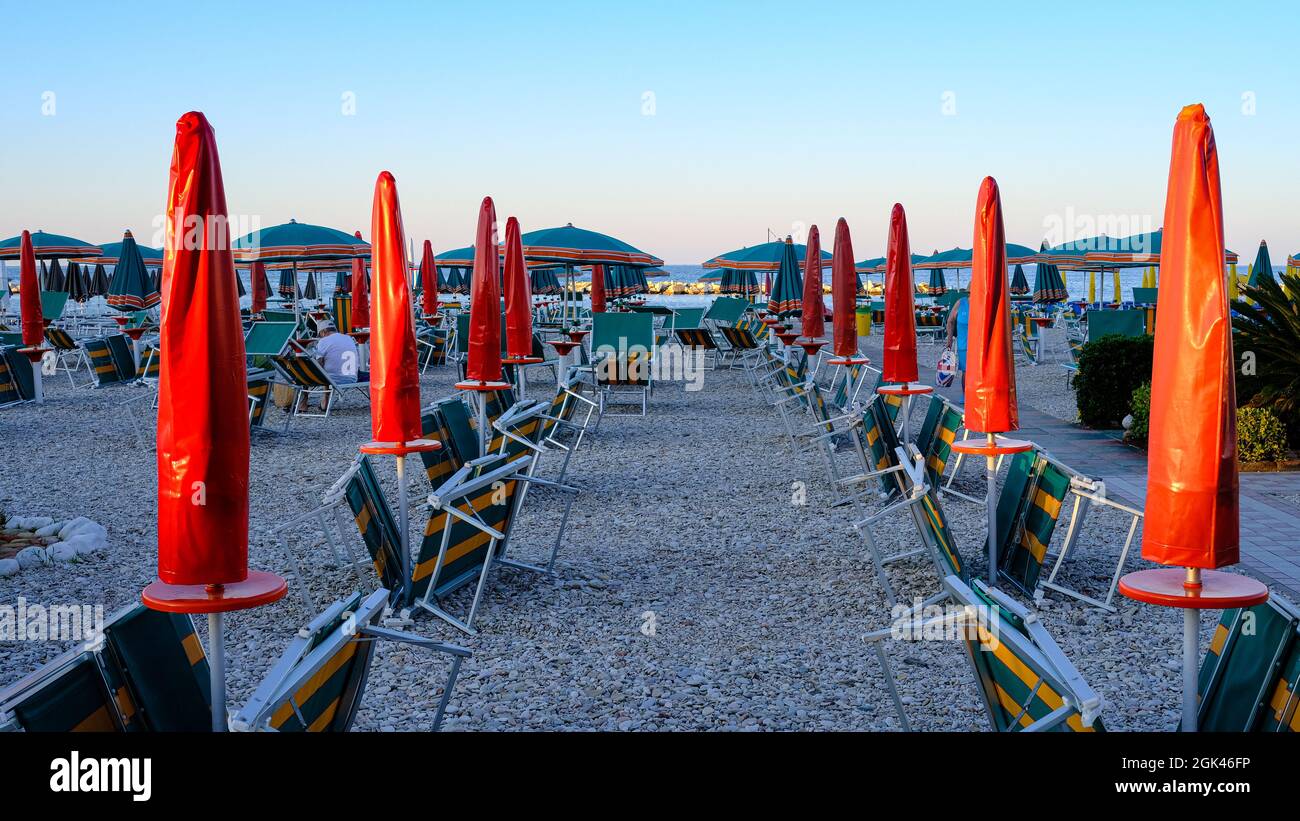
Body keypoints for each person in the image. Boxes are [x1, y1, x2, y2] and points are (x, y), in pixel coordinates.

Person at [299, 322, 367, 412]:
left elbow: (318, 365)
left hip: (333, 380)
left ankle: (302, 405)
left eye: (320, 335)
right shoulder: (348, 338)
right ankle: (325, 401)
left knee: (306, 371)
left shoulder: (323, 341)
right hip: (353, 378)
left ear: (323, 332)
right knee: (329, 367)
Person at [943, 296, 969, 400]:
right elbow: (950, 321)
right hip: (964, 344)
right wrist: (949, 339)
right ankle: (965, 395)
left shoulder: (983, 302)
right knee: (966, 371)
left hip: (980, 344)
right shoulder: (961, 303)